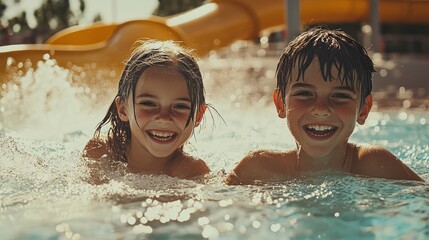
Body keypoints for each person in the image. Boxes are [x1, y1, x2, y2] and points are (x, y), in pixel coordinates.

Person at [225, 27, 424, 185]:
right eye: (304, 94)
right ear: (280, 104)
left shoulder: (374, 164)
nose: (320, 108)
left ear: (363, 109)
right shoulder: (258, 167)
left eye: (340, 96)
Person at [83, 40, 210, 181]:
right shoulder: (99, 153)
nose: (164, 117)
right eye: (148, 103)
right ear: (123, 109)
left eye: (180, 106)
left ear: (198, 115)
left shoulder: (191, 172)